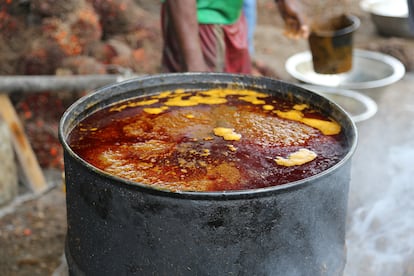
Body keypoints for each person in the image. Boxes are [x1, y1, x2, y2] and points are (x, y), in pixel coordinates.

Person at [161, 0, 308, 74]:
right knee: (200, 109)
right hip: (198, 23)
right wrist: (194, 64)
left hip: (231, 14)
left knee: (234, 102)